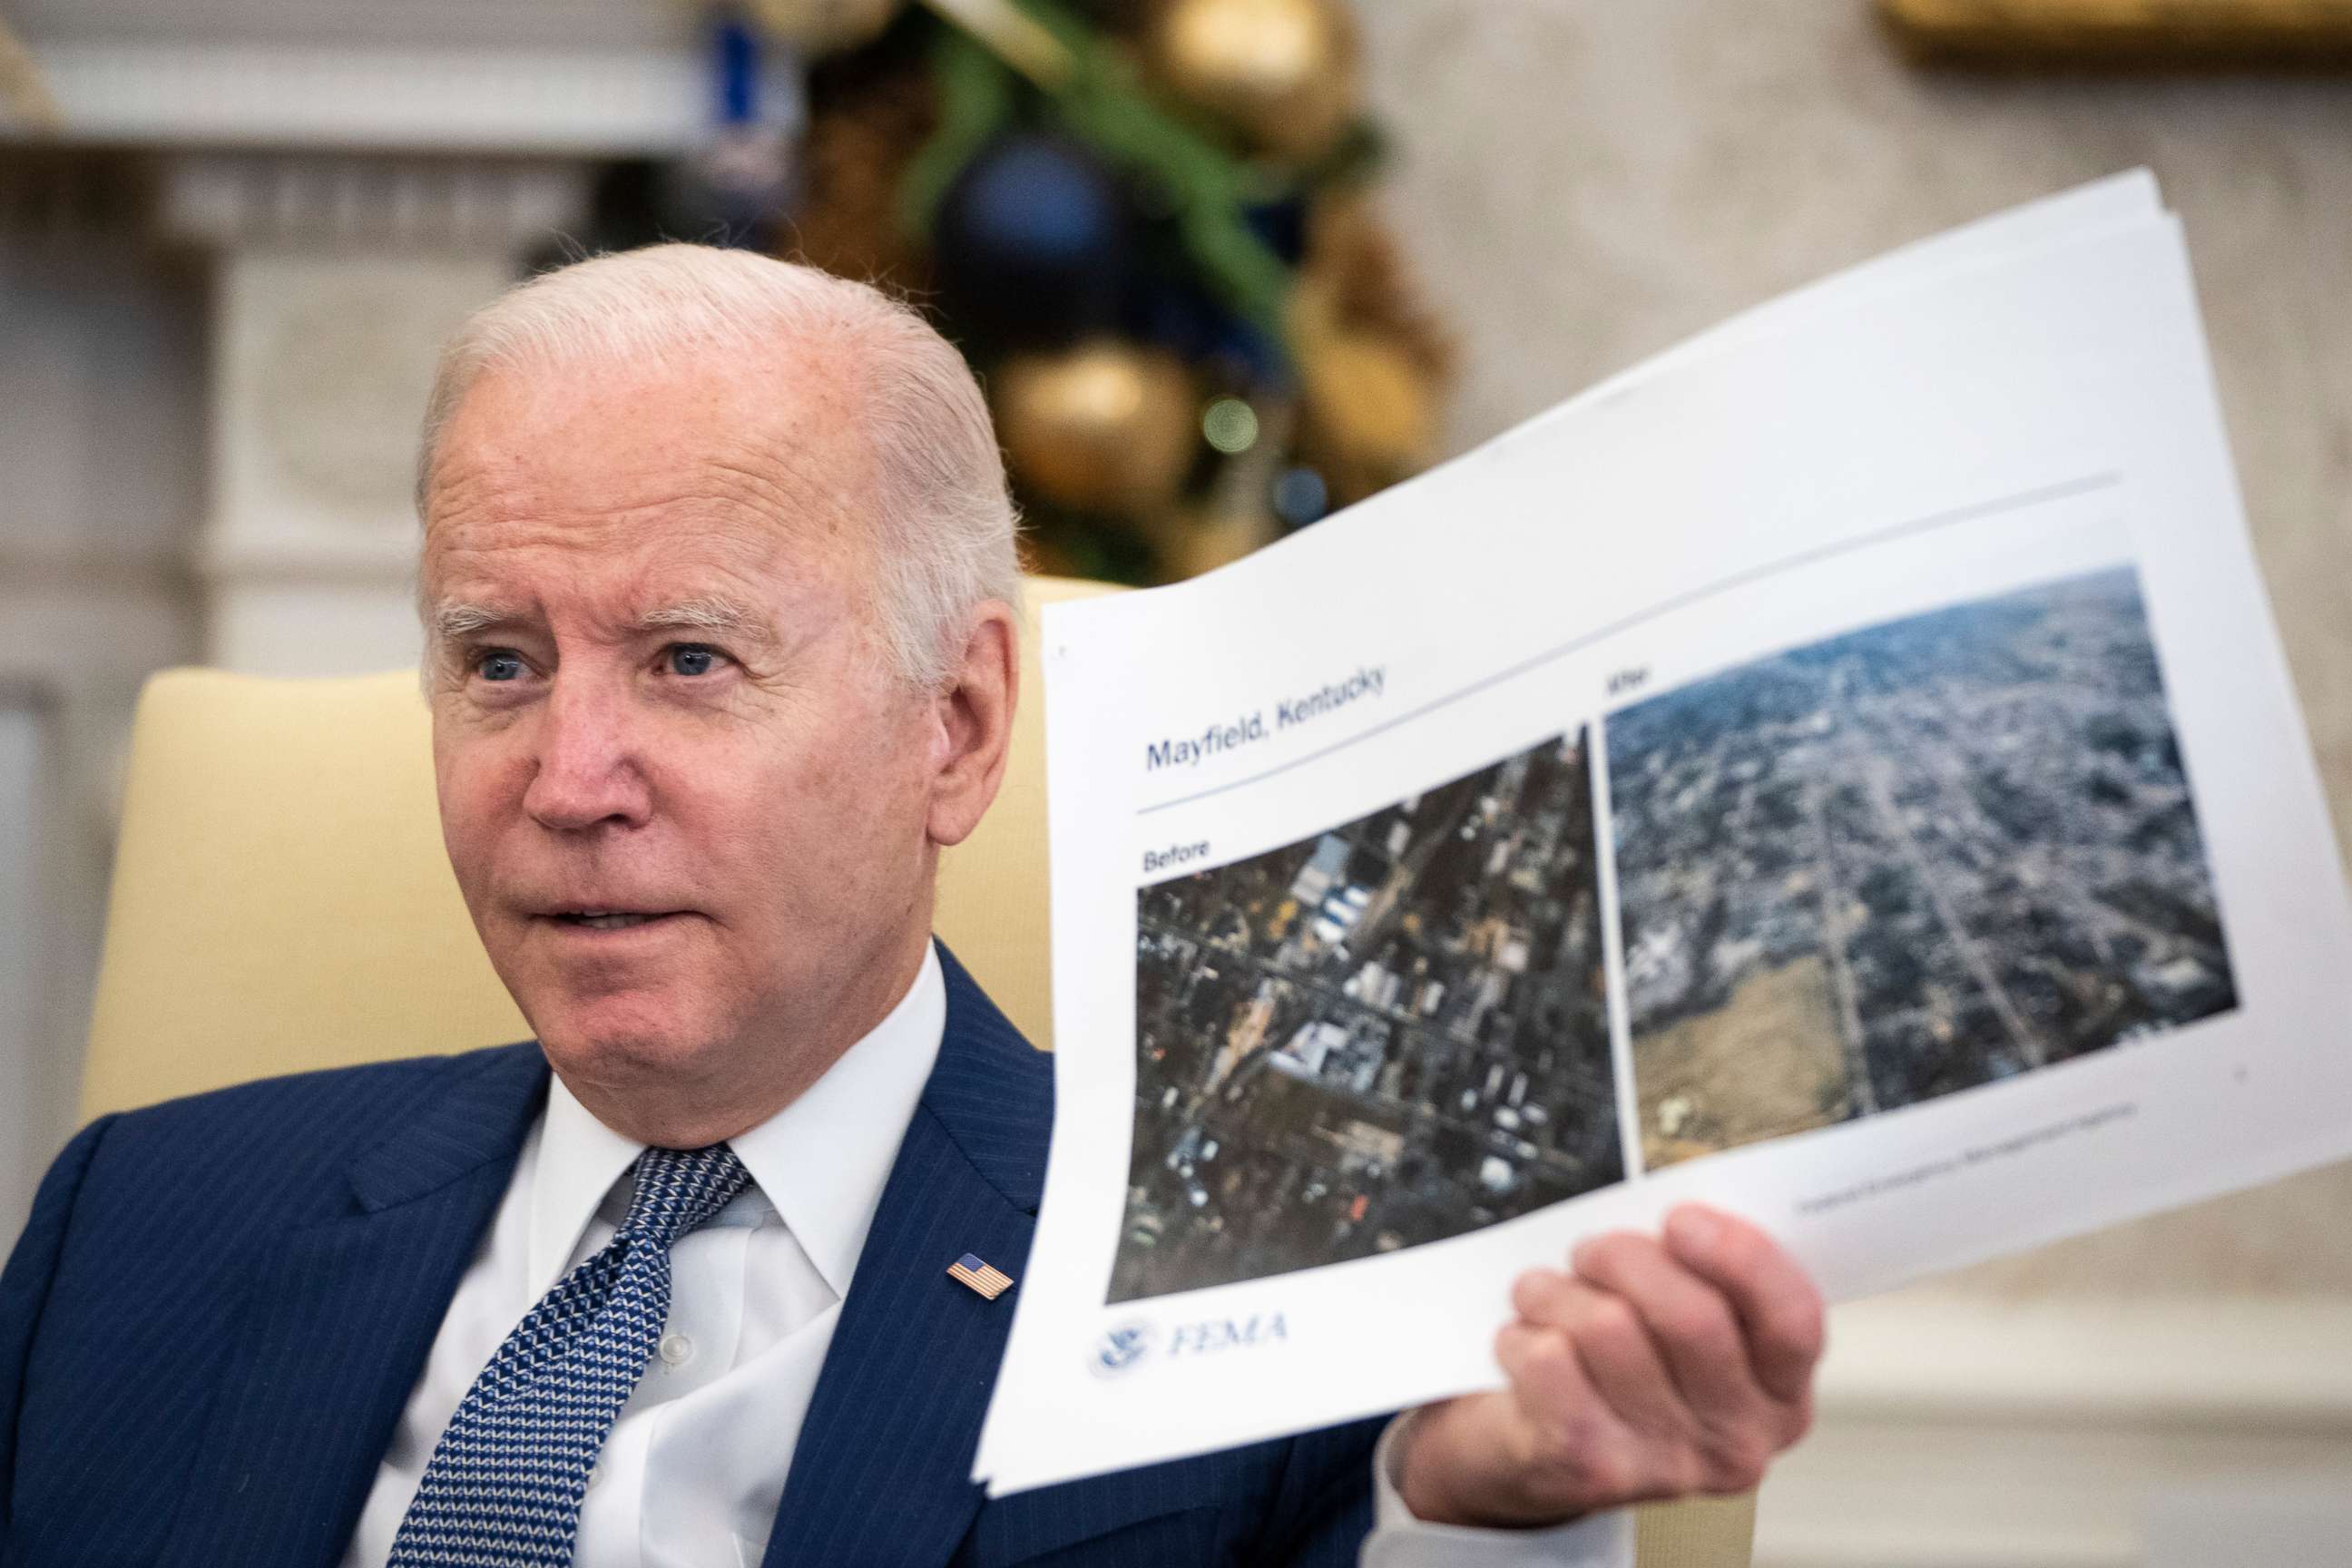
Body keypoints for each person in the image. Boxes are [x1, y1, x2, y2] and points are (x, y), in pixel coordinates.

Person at [0, 246, 1823, 1568]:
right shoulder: (136, 1226)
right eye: (497, 661)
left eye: (690, 659)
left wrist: (1484, 1524)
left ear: (954, 730)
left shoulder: (1243, 1272)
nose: (564, 779)